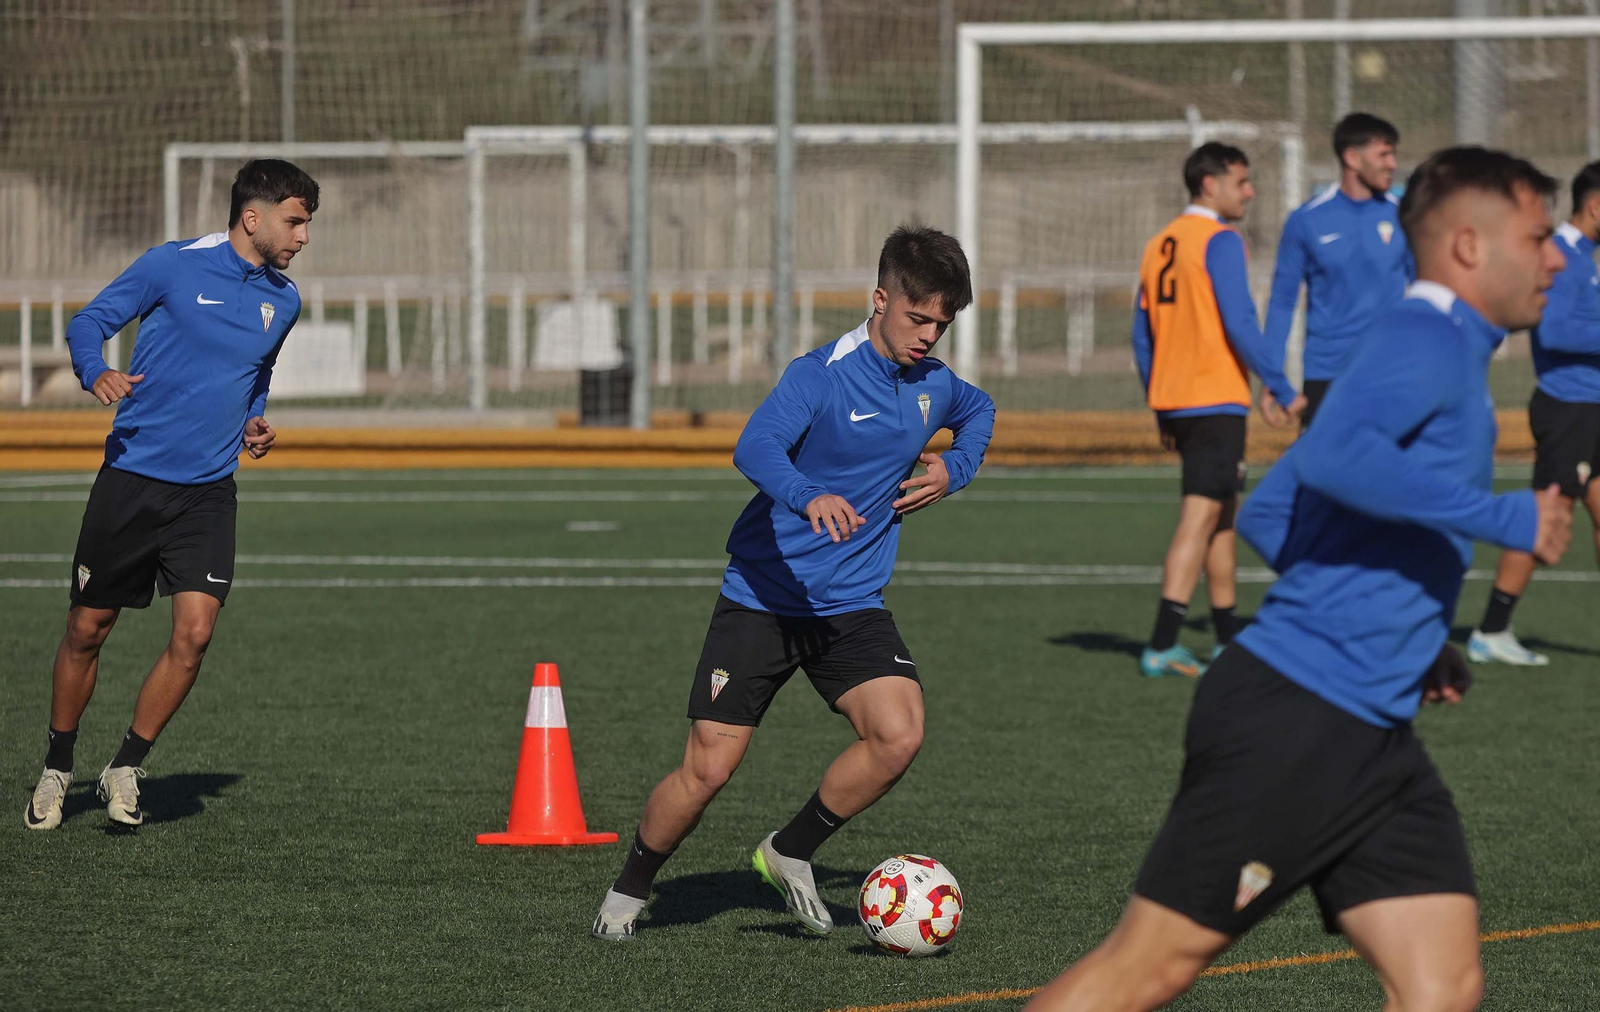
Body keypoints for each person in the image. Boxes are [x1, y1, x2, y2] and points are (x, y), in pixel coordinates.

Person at [1025, 145, 1572, 1012]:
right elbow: (1342, 460)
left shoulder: (1440, 349)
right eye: (1541, 237)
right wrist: (1506, 517)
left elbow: (1278, 510)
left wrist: (1406, 633)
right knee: (1145, 971)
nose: (1557, 258)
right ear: (1470, 245)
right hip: (1298, 719)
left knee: (1444, 987)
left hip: (1373, 731)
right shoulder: (1424, 339)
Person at [591, 225, 995, 941]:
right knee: (708, 771)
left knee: (897, 736)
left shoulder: (935, 385)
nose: (929, 335)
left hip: (850, 605)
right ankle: (631, 889)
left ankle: (789, 849)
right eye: (917, 317)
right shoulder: (822, 373)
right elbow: (755, 445)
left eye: (942, 322)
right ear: (880, 299)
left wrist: (953, 470)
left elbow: (980, 412)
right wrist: (809, 496)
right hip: (763, 600)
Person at [23, 159, 317, 831]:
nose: (302, 236)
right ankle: (57, 768)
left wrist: (253, 419)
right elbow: (87, 322)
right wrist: (96, 370)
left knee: (195, 634)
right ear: (253, 217)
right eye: (295, 221)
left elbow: (257, 371)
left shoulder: (285, 299)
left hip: (208, 493)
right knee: (87, 629)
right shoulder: (172, 264)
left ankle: (125, 765)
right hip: (131, 481)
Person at [1131, 142, 1304, 679]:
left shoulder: (1160, 243)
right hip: (1213, 396)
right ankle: (1162, 643)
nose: (1249, 191)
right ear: (1211, 183)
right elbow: (1240, 322)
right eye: (1242, 181)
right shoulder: (1219, 240)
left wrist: (1159, 404)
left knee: (1221, 516)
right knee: (1202, 514)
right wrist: (1280, 383)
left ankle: (1229, 636)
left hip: (1180, 400)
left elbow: (1142, 337)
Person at [1470, 161, 1600, 665]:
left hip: (1591, 407)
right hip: (1569, 409)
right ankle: (1491, 630)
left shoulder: (1586, 258)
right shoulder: (1563, 259)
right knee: (1549, 517)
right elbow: (1555, 333)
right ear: (1594, 207)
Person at [1264, 112, 1412, 429]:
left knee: (1388, 476)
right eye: (1383, 154)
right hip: (1326, 375)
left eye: (1393, 154)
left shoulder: (1404, 217)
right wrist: (1272, 377)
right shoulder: (1306, 220)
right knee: (1320, 476)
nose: (1392, 164)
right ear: (1352, 158)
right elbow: (1281, 302)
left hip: (1388, 373)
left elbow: (1429, 288)